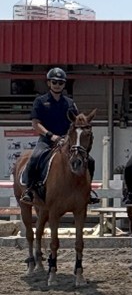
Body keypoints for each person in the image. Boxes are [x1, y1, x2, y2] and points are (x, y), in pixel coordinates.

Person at [21, 67, 98, 204]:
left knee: (90, 160)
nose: (57, 85)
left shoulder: (69, 103)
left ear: (64, 84)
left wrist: (69, 138)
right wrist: (51, 136)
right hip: (47, 139)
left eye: (60, 83)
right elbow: (35, 124)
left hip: (66, 140)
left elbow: (76, 123)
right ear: (49, 83)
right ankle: (29, 190)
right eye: (54, 82)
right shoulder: (40, 101)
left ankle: (88, 190)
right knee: (35, 157)